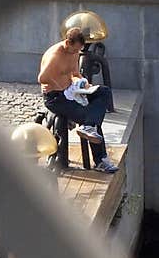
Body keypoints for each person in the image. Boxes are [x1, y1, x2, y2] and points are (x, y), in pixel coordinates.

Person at [38, 26, 117, 172]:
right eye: (74, 50)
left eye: (78, 51)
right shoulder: (55, 55)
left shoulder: (74, 53)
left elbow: (74, 73)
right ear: (67, 43)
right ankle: (100, 159)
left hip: (71, 91)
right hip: (55, 96)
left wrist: (84, 83)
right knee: (89, 117)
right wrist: (59, 87)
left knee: (103, 92)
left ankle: (89, 126)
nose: (76, 53)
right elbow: (42, 78)